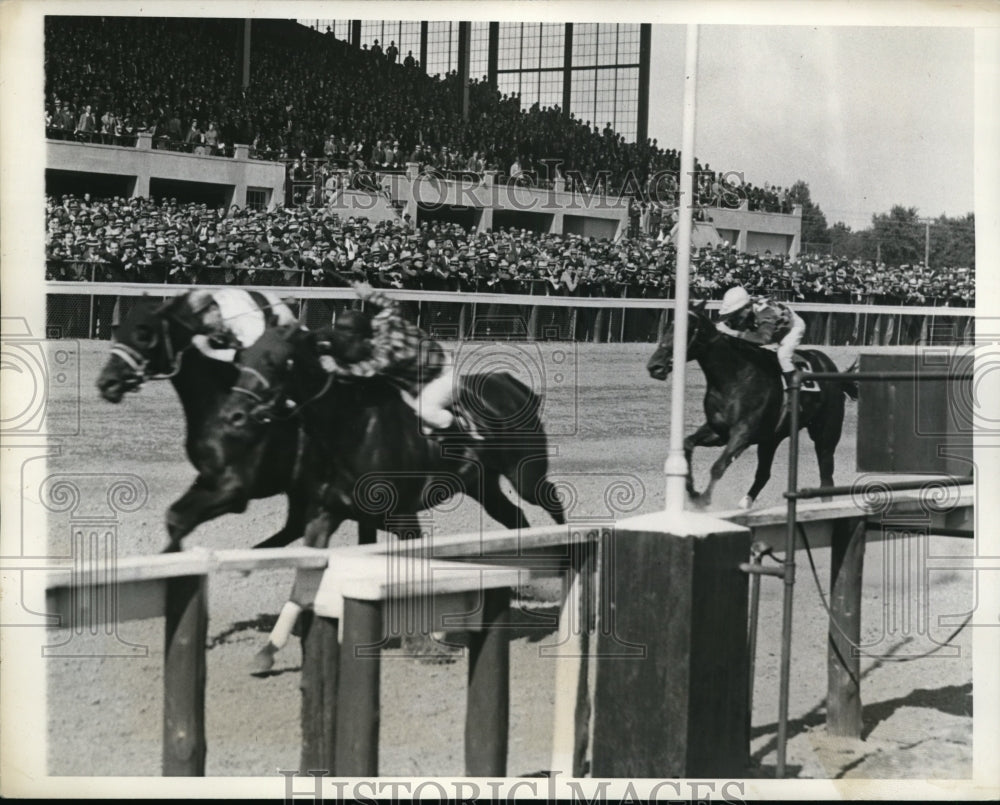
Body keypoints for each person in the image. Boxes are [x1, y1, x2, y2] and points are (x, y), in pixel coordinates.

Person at [326, 283, 478, 437]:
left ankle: (461, 428)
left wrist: (337, 368)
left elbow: (369, 368)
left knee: (425, 411)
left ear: (365, 339)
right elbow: (392, 304)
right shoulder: (381, 320)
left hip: (442, 377)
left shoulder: (387, 350)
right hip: (425, 371)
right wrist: (369, 294)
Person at [716, 285, 807, 390]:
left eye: (735, 313)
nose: (734, 318)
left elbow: (763, 339)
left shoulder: (765, 311)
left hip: (793, 327)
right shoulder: (747, 310)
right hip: (773, 328)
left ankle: (794, 391)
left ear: (746, 307)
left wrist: (732, 332)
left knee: (783, 355)